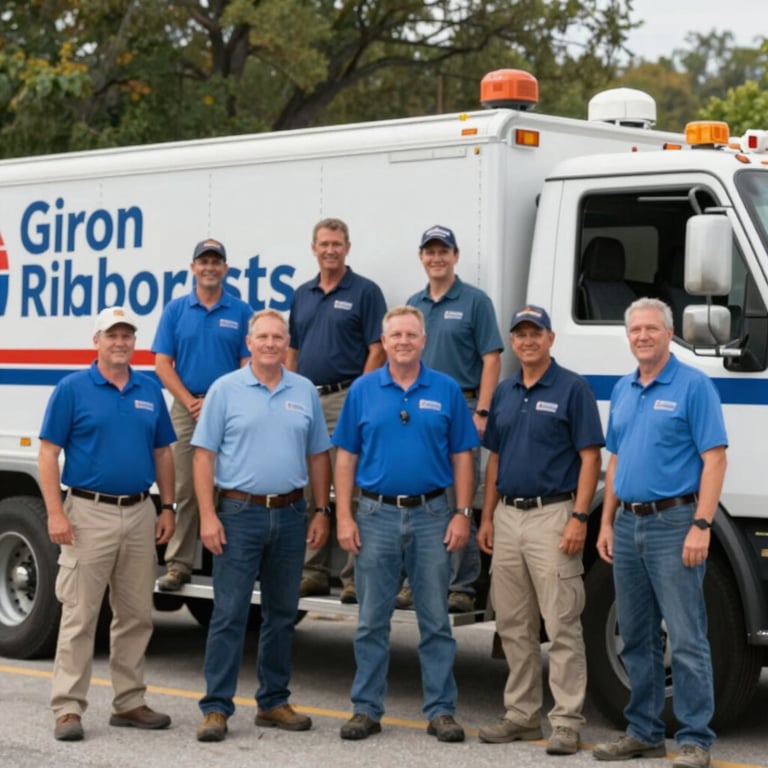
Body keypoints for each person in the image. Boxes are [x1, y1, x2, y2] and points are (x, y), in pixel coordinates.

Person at [333, 305, 479, 742]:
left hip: (434, 514)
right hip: (375, 515)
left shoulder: (447, 389)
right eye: (395, 335)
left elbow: (463, 456)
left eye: (410, 335)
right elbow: (345, 456)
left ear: (423, 340)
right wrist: (343, 515)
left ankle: (440, 711)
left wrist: (463, 513)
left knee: (435, 621)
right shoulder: (362, 390)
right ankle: (366, 708)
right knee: (371, 621)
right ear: (385, 340)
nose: (402, 342)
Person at [594, 298, 728, 768]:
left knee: (687, 637)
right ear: (628, 337)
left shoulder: (693, 386)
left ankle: (695, 739)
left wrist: (701, 525)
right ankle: (644, 732)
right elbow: (615, 461)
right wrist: (606, 521)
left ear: (670, 334)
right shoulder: (625, 388)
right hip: (628, 524)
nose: (643, 336)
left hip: (676, 523)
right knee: (635, 636)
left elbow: (715, 459)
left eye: (652, 328)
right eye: (636, 330)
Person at [192, 309, 332, 743]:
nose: (270, 344)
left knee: (282, 614)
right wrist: (208, 516)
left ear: (286, 342)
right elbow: (203, 456)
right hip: (237, 514)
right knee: (230, 613)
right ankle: (216, 707)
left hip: (291, 515)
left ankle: (273, 701)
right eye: (262, 337)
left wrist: (321, 510)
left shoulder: (303, 390)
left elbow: (318, 455)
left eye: (278, 337)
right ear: (249, 343)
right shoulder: (225, 390)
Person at [38, 306, 177, 742]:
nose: (120, 342)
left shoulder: (149, 389)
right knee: (80, 616)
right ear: (96, 341)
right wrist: (56, 512)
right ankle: (67, 708)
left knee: (136, 615)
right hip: (87, 513)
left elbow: (163, 453)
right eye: (111, 335)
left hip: (140, 512)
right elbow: (47, 454)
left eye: (127, 335)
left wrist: (168, 506)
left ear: (134, 342)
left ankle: (129, 701)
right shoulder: (72, 389)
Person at [476, 304, 603, 755]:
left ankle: (566, 721)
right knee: (514, 623)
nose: (528, 341)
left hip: (554, 516)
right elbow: (494, 460)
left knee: (562, 622)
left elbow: (591, 457)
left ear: (551, 339)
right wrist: (487, 517)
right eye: (520, 334)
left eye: (536, 333)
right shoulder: (506, 392)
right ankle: (522, 716)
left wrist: (579, 517)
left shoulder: (573, 388)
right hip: (508, 516)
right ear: (512, 342)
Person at [400, 224, 503, 613]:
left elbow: (491, 358)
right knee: (415, 497)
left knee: (458, 499)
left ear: (456, 256)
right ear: (422, 257)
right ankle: (414, 581)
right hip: (418, 411)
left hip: (462, 406)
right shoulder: (414, 304)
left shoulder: (475, 301)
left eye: (444, 251)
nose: (437, 257)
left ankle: (460, 586)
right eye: (430, 251)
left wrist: (482, 411)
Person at [287, 217, 387, 603]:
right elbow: (292, 348)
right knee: (311, 488)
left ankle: (351, 577)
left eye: (337, 244)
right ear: (313, 248)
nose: (330, 250)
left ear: (348, 247)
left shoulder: (364, 292)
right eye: (324, 244)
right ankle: (312, 571)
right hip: (305, 397)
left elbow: (377, 348)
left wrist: (361, 394)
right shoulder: (303, 294)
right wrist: (289, 391)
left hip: (347, 396)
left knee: (352, 488)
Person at [152, 237, 253, 592]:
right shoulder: (177, 310)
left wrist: (218, 400)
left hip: (229, 408)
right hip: (185, 407)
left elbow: (247, 364)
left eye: (216, 261)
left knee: (232, 486)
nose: (210, 267)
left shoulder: (241, 312)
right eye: (203, 261)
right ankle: (178, 564)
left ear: (225, 268)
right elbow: (162, 363)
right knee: (185, 487)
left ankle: (232, 563)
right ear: (193, 268)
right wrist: (189, 400)